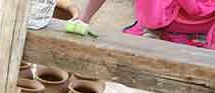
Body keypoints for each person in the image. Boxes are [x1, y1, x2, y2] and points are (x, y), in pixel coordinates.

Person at [82, 0, 215, 47]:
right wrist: (83, 20)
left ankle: (153, 29)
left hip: (207, 20)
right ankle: (153, 30)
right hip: (165, 19)